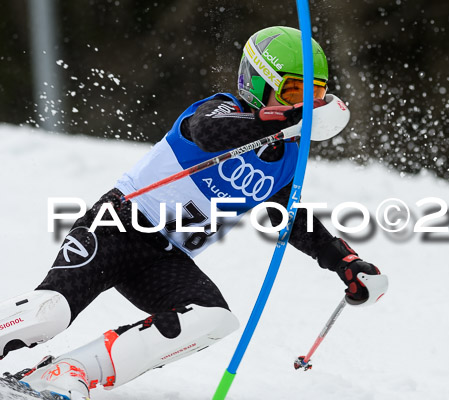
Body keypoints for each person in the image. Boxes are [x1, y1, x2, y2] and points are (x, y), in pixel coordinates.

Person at [0, 26, 382, 400]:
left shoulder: (286, 159)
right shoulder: (220, 110)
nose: (306, 107)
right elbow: (208, 132)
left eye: (315, 96)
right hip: (117, 226)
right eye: (294, 92)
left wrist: (343, 261)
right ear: (258, 81)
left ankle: (67, 372)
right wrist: (283, 118)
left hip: (164, 258)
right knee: (49, 312)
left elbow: (291, 217)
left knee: (211, 318)